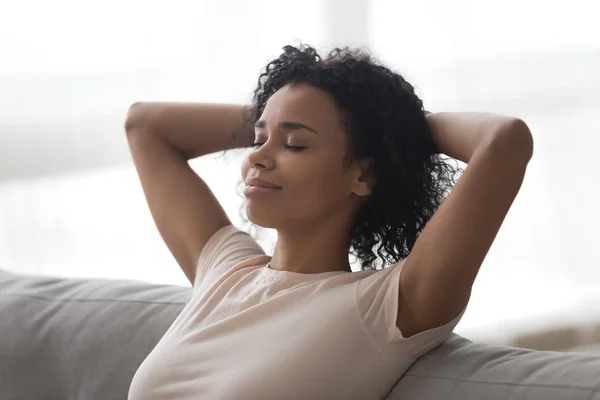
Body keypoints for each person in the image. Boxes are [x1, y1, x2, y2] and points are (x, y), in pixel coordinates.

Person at [125, 44, 533, 399]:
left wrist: (397, 130)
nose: (257, 157)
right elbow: (144, 124)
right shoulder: (225, 269)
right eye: (257, 138)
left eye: (295, 144)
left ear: (364, 175)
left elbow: (504, 141)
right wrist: (291, 112)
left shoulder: (387, 308)